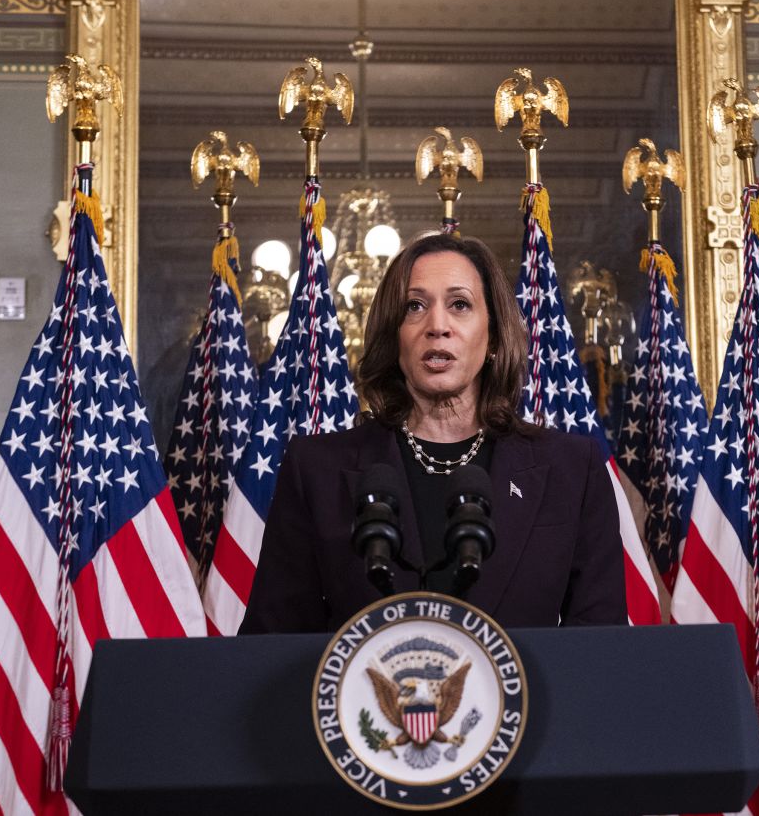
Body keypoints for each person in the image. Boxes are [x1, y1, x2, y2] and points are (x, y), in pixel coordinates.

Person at [239, 232, 626, 633]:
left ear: (492, 337)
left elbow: (601, 652)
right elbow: (272, 647)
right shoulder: (316, 470)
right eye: (415, 306)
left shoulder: (572, 469)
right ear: (394, 336)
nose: (437, 325)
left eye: (460, 305)